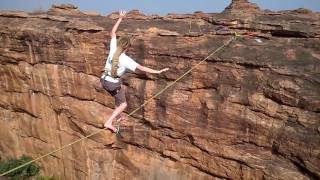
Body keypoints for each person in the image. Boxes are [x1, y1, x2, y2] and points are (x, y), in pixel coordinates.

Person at [101, 10, 169, 133]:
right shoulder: (126, 59)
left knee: (119, 91)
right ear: (127, 47)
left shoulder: (113, 48)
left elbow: (112, 32)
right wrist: (158, 71)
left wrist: (120, 18)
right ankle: (109, 122)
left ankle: (119, 115)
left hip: (104, 80)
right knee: (124, 105)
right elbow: (142, 68)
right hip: (112, 83)